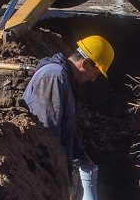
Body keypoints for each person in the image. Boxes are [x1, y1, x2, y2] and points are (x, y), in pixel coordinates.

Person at [22, 34, 113, 172]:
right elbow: (47, 133)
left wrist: (82, 158)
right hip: (39, 168)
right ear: (85, 63)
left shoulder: (67, 81)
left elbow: (66, 131)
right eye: (94, 73)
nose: (93, 79)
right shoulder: (54, 77)